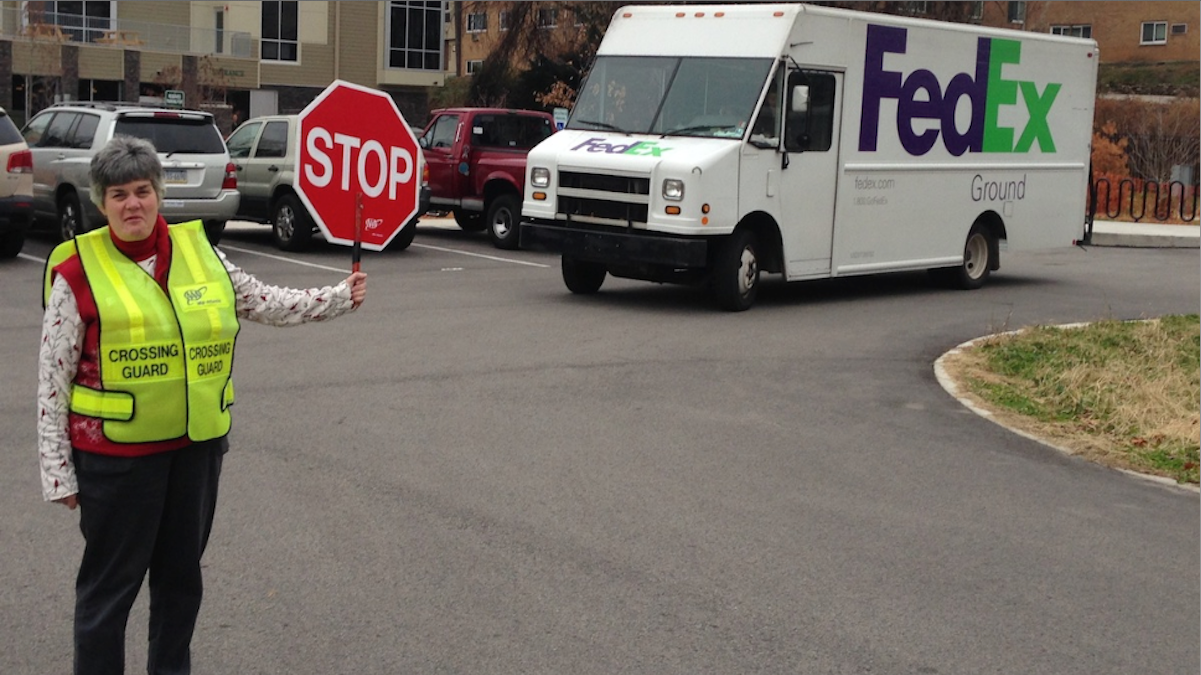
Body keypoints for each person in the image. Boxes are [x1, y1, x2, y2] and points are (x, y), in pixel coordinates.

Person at [37, 135, 368, 675]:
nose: (133, 205)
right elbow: (52, 378)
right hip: (115, 461)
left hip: (194, 453)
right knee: (108, 593)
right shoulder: (77, 272)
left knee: (180, 583)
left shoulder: (201, 253)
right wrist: (59, 473)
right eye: (119, 195)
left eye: (143, 191)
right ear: (101, 202)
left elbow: (263, 301)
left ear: (159, 194)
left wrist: (335, 297)